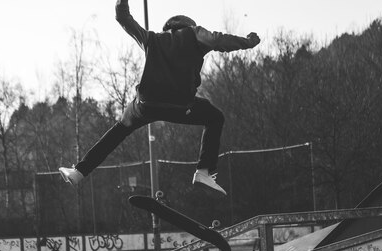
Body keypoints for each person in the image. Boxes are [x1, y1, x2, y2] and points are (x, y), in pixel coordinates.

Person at [59, 0, 260, 196]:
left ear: (168, 28)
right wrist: (247, 42)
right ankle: (204, 171)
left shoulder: (152, 39)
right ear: (188, 26)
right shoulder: (195, 33)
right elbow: (218, 40)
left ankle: (79, 172)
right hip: (181, 104)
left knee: (119, 130)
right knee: (215, 117)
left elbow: (123, 18)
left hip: (145, 104)